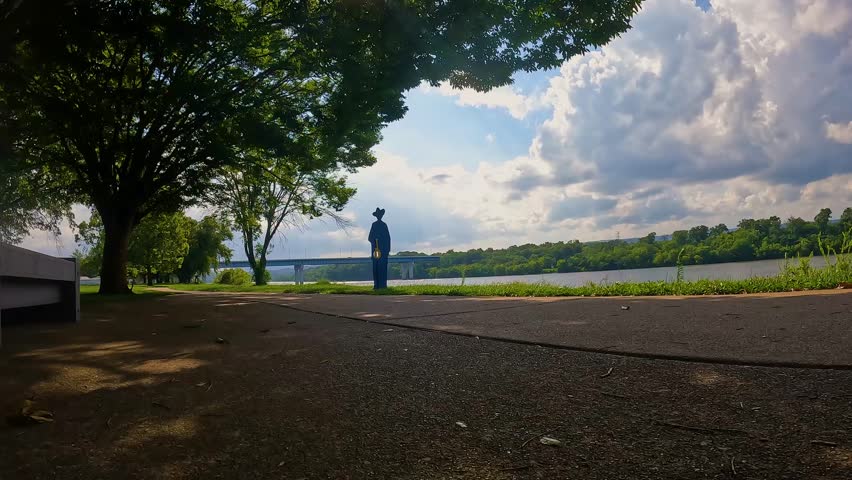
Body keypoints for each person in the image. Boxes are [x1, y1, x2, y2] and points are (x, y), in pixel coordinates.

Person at [368, 207, 390, 289]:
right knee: (376, 268)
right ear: (376, 216)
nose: (379, 217)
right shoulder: (374, 225)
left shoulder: (384, 225)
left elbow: (388, 238)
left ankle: (383, 285)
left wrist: (387, 250)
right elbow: (370, 238)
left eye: (380, 215)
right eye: (378, 215)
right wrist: (375, 240)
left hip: (383, 252)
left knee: (383, 268)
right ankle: (376, 285)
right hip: (375, 251)